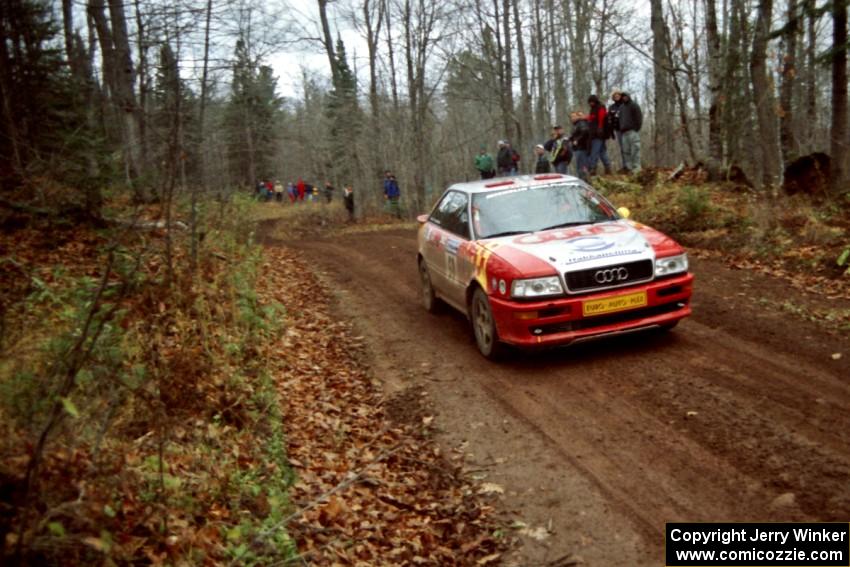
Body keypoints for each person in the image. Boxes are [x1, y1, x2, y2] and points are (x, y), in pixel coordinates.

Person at [586, 95, 613, 176]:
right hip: (595, 133)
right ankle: (608, 167)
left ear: (595, 101)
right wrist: (587, 118)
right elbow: (592, 118)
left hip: (598, 134)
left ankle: (593, 168)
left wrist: (600, 128)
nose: (591, 103)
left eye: (592, 102)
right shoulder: (593, 109)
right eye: (590, 102)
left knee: (595, 151)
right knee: (602, 152)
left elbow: (601, 117)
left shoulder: (600, 107)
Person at [618, 91, 643, 173]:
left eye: (625, 96)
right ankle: (629, 168)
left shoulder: (634, 105)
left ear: (628, 96)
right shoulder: (621, 107)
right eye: (623, 97)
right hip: (624, 133)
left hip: (632, 131)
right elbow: (620, 119)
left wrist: (636, 129)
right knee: (626, 151)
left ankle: (637, 168)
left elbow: (639, 118)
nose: (624, 98)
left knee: (635, 149)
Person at [569, 111, 591, 181]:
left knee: (582, 166)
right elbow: (574, 135)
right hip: (577, 149)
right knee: (579, 166)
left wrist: (577, 140)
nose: (572, 118)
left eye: (574, 116)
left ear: (578, 117)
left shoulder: (581, 123)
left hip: (581, 148)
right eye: (571, 117)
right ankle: (583, 180)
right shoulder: (575, 125)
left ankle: (585, 181)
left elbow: (585, 132)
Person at [608, 90, 626, 172]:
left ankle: (632, 165)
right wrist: (611, 131)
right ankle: (625, 165)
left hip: (627, 129)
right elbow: (610, 119)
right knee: (622, 148)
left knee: (630, 148)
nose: (616, 97)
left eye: (618, 95)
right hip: (618, 130)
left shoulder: (625, 104)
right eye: (615, 96)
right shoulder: (612, 107)